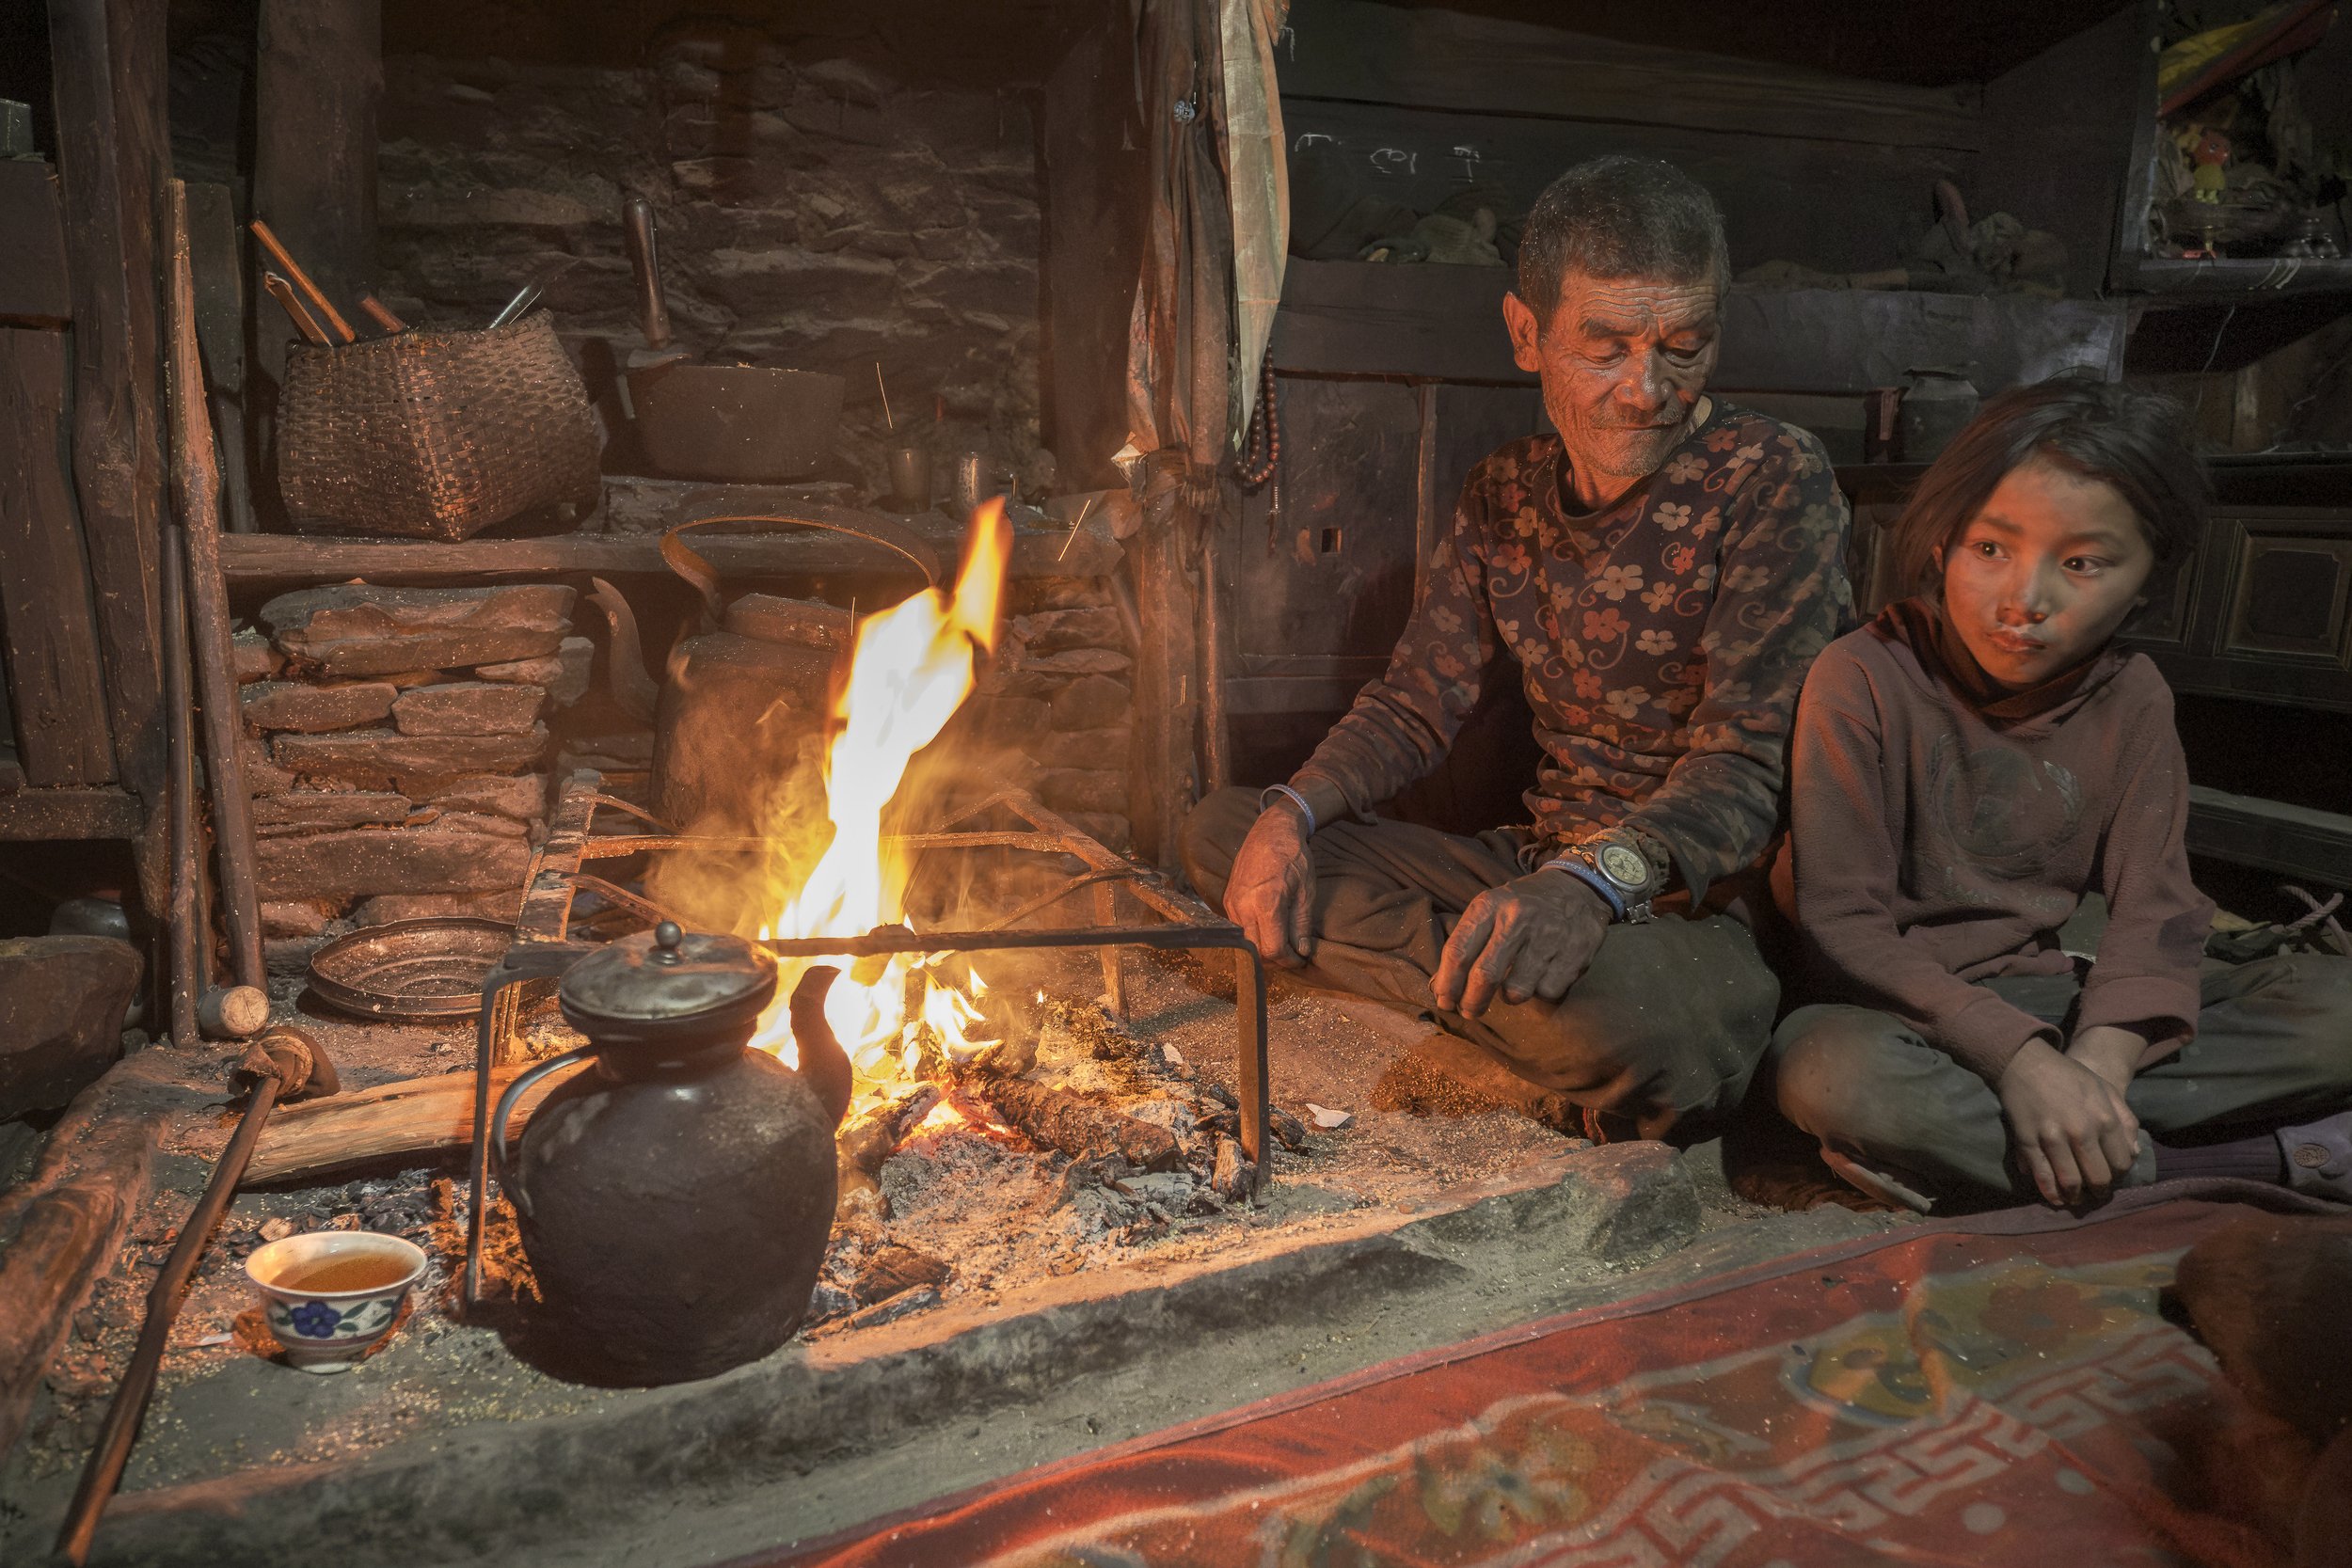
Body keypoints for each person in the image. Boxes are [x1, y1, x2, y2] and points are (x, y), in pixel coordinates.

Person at [1182, 155, 1853, 1141]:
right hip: (1525, 866)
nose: (1645, 390)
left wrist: (1588, 888)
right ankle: (1496, 987)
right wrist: (1292, 813)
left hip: (1688, 903)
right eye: (1607, 347)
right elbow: (1416, 703)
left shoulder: (1771, 477)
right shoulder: (1504, 489)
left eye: (1682, 347)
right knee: (1224, 831)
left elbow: (1745, 769)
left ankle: (1494, 998)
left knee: (1642, 1030)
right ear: (1526, 335)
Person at [1768, 376, 2352, 1211]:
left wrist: (2095, 1065)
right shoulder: (1861, 675)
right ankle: (2269, 1160)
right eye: (1991, 548)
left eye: (2081, 563)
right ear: (1940, 544)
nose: (2024, 600)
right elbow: (1843, 923)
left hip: (2050, 996)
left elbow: (2157, 909)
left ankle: (2035, 1143)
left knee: (2339, 1008)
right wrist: (2022, 1062)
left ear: (2148, 580)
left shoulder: (2134, 697)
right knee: (1832, 1078)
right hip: (1893, 1010)